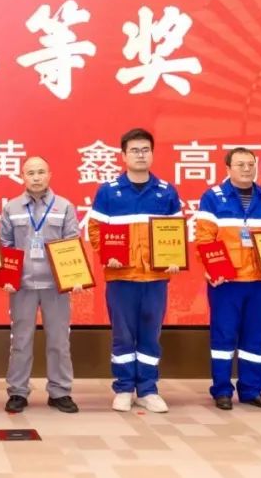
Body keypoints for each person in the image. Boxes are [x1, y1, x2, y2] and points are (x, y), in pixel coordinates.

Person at [88, 128, 183, 413]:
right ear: (123, 155)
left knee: (150, 335)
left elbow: (175, 232)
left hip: (155, 278)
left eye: (145, 150)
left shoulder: (166, 191)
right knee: (123, 335)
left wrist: (174, 258)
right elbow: (95, 230)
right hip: (121, 277)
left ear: (152, 154)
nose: (140, 155)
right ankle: (124, 388)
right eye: (134, 150)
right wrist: (108, 255)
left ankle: (148, 389)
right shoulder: (108, 191)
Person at [194, 147, 261, 411]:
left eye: (250, 164)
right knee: (223, 338)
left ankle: (251, 390)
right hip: (226, 283)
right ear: (228, 169)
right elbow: (205, 239)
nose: (247, 169)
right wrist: (213, 269)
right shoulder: (213, 197)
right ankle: (222, 390)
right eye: (240, 164)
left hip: (259, 282)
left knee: (255, 338)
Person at [0, 156, 82, 414]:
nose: (36, 177)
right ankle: (18, 392)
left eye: (41, 172)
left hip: (55, 286)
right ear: (23, 176)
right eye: (30, 173)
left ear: (49, 174)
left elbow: (72, 243)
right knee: (20, 340)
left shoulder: (64, 206)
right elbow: (5, 245)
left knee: (59, 340)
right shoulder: (11, 207)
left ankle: (60, 391)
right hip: (22, 286)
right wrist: (7, 277)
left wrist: (74, 277)